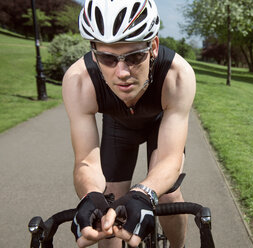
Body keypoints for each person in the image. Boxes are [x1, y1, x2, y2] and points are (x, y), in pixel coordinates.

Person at [62, 0, 196, 247]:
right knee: (108, 203)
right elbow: (85, 161)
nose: (122, 72)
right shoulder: (79, 81)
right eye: (107, 58)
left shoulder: (177, 75)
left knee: (167, 195)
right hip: (119, 128)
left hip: (160, 124)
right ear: (93, 52)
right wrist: (90, 195)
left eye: (134, 57)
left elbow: (170, 158)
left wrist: (144, 193)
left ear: (153, 46)